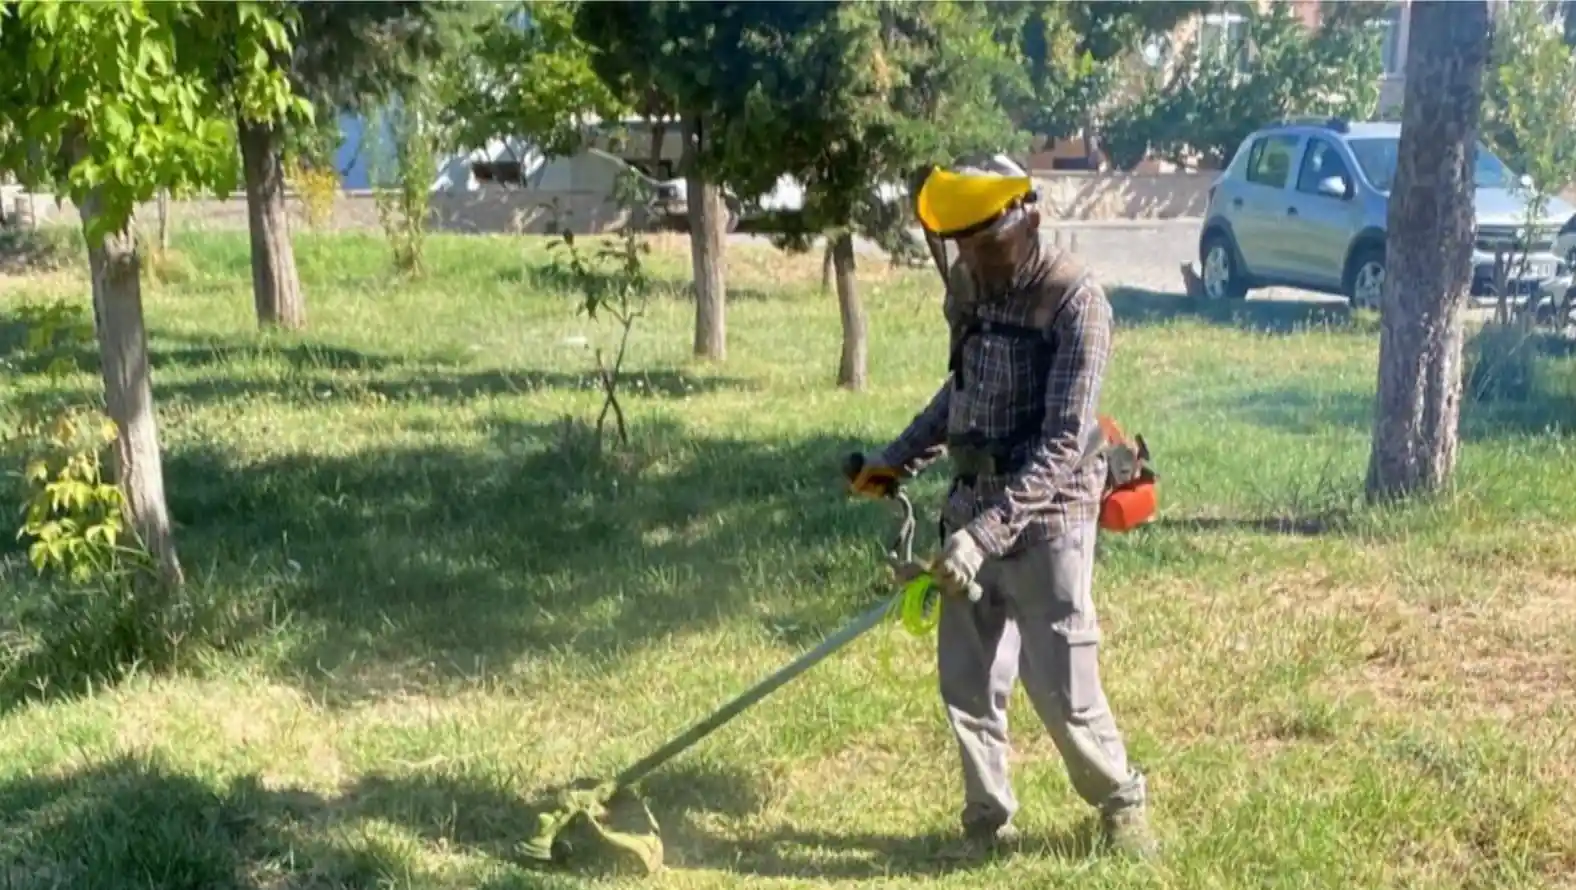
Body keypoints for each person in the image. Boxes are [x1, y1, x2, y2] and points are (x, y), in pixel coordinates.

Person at [843, 154, 1157, 861]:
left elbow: (1062, 447)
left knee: (1063, 689)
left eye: (987, 246)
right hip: (972, 507)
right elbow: (961, 392)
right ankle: (987, 822)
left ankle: (1119, 803)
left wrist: (982, 538)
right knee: (969, 682)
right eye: (962, 248)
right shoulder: (971, 285)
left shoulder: (1076, 302)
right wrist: (896, 460)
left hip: (1048, 518)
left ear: (1030, 219)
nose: (976, 262)